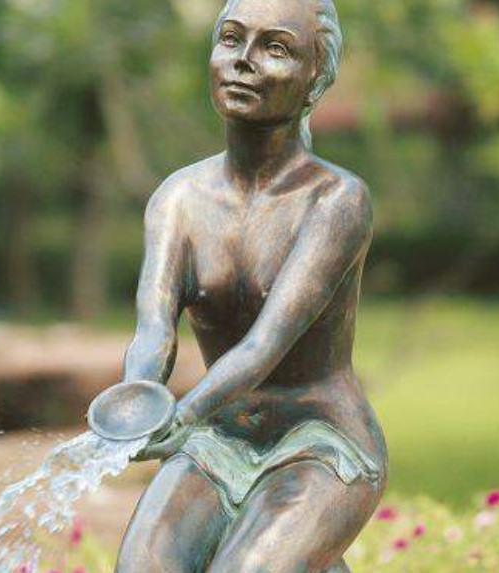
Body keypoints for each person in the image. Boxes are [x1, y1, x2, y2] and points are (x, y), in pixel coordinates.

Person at [112, 0, 387, 571]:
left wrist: (182, 416)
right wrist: (137, 398)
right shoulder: (179, 200)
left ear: (315, 79)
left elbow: (264, 347)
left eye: (275, 48)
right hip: (219, 438)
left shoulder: (336, 201)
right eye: (232, 39)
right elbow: (153, 330)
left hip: (320, 442)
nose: (244, 61)